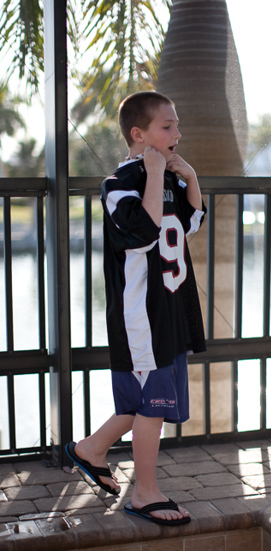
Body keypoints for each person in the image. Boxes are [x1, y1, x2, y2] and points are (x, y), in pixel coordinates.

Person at [66, 91, 206, 526]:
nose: (177, 134)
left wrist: (191, 178)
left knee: (142, 401)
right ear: (138, 134)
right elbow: (142, 233)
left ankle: (89, 449)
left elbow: (192, 224)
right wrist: (153, 172)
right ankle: (144, 493)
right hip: (140, 317)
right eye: (168, 127)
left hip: (168, 311)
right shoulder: (119, 184)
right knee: (153, 405)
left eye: (177, 125)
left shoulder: (168, 181)